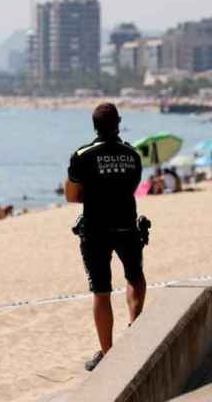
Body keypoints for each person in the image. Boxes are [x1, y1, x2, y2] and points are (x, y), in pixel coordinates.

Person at [65, 103, 145, 372]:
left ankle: (108, 352)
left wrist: (97, 194)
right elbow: (133, 187)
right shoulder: (132, 154)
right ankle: (136, 328)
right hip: (126, 224)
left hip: (96, 228)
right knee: (134, 276)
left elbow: (72, 196)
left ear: (94, 126)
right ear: (118, 123)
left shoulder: (82, 155)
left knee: (101, 290)